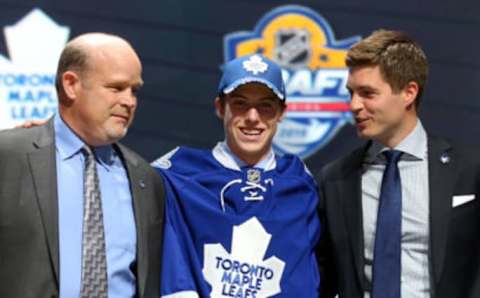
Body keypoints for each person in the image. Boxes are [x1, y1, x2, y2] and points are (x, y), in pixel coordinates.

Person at [317, 29, 480, 298]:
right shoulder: (334, 179)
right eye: (351, 93)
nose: (354, 105)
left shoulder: (470, 169)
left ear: (408, 92)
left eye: (367, 93)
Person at [0, 33, 165, 297]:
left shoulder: (146, 178)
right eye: (116, 87)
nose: (129, 101)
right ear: (71, 84)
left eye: (134, 90)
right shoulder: (9, 156)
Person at [153, 54, 321, 297]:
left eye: (265, 106)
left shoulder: (301, 183)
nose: (253, 117)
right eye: (240, 103)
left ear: (281, 113)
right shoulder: (176, 174)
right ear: (221, 108)